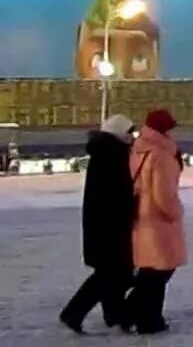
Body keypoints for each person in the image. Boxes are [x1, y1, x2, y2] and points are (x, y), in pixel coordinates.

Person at [59, 115, 136, 334]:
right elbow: (119, 192)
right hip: (110, 225)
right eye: (130, 132)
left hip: (102, 223)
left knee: (113, 273)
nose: (132, 137)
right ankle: (74, 312)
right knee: (112, 273)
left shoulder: (105, 152)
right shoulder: (113, 155)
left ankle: (114, 315)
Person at [126, 109, 185, 335]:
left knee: (151, 270)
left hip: (143, 215)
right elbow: (163, 192)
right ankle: (146, 319)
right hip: (158, 218)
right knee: (159, 271)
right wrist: (174, 212)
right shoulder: (161, 153)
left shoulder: (140, 148)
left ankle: (140, 315)